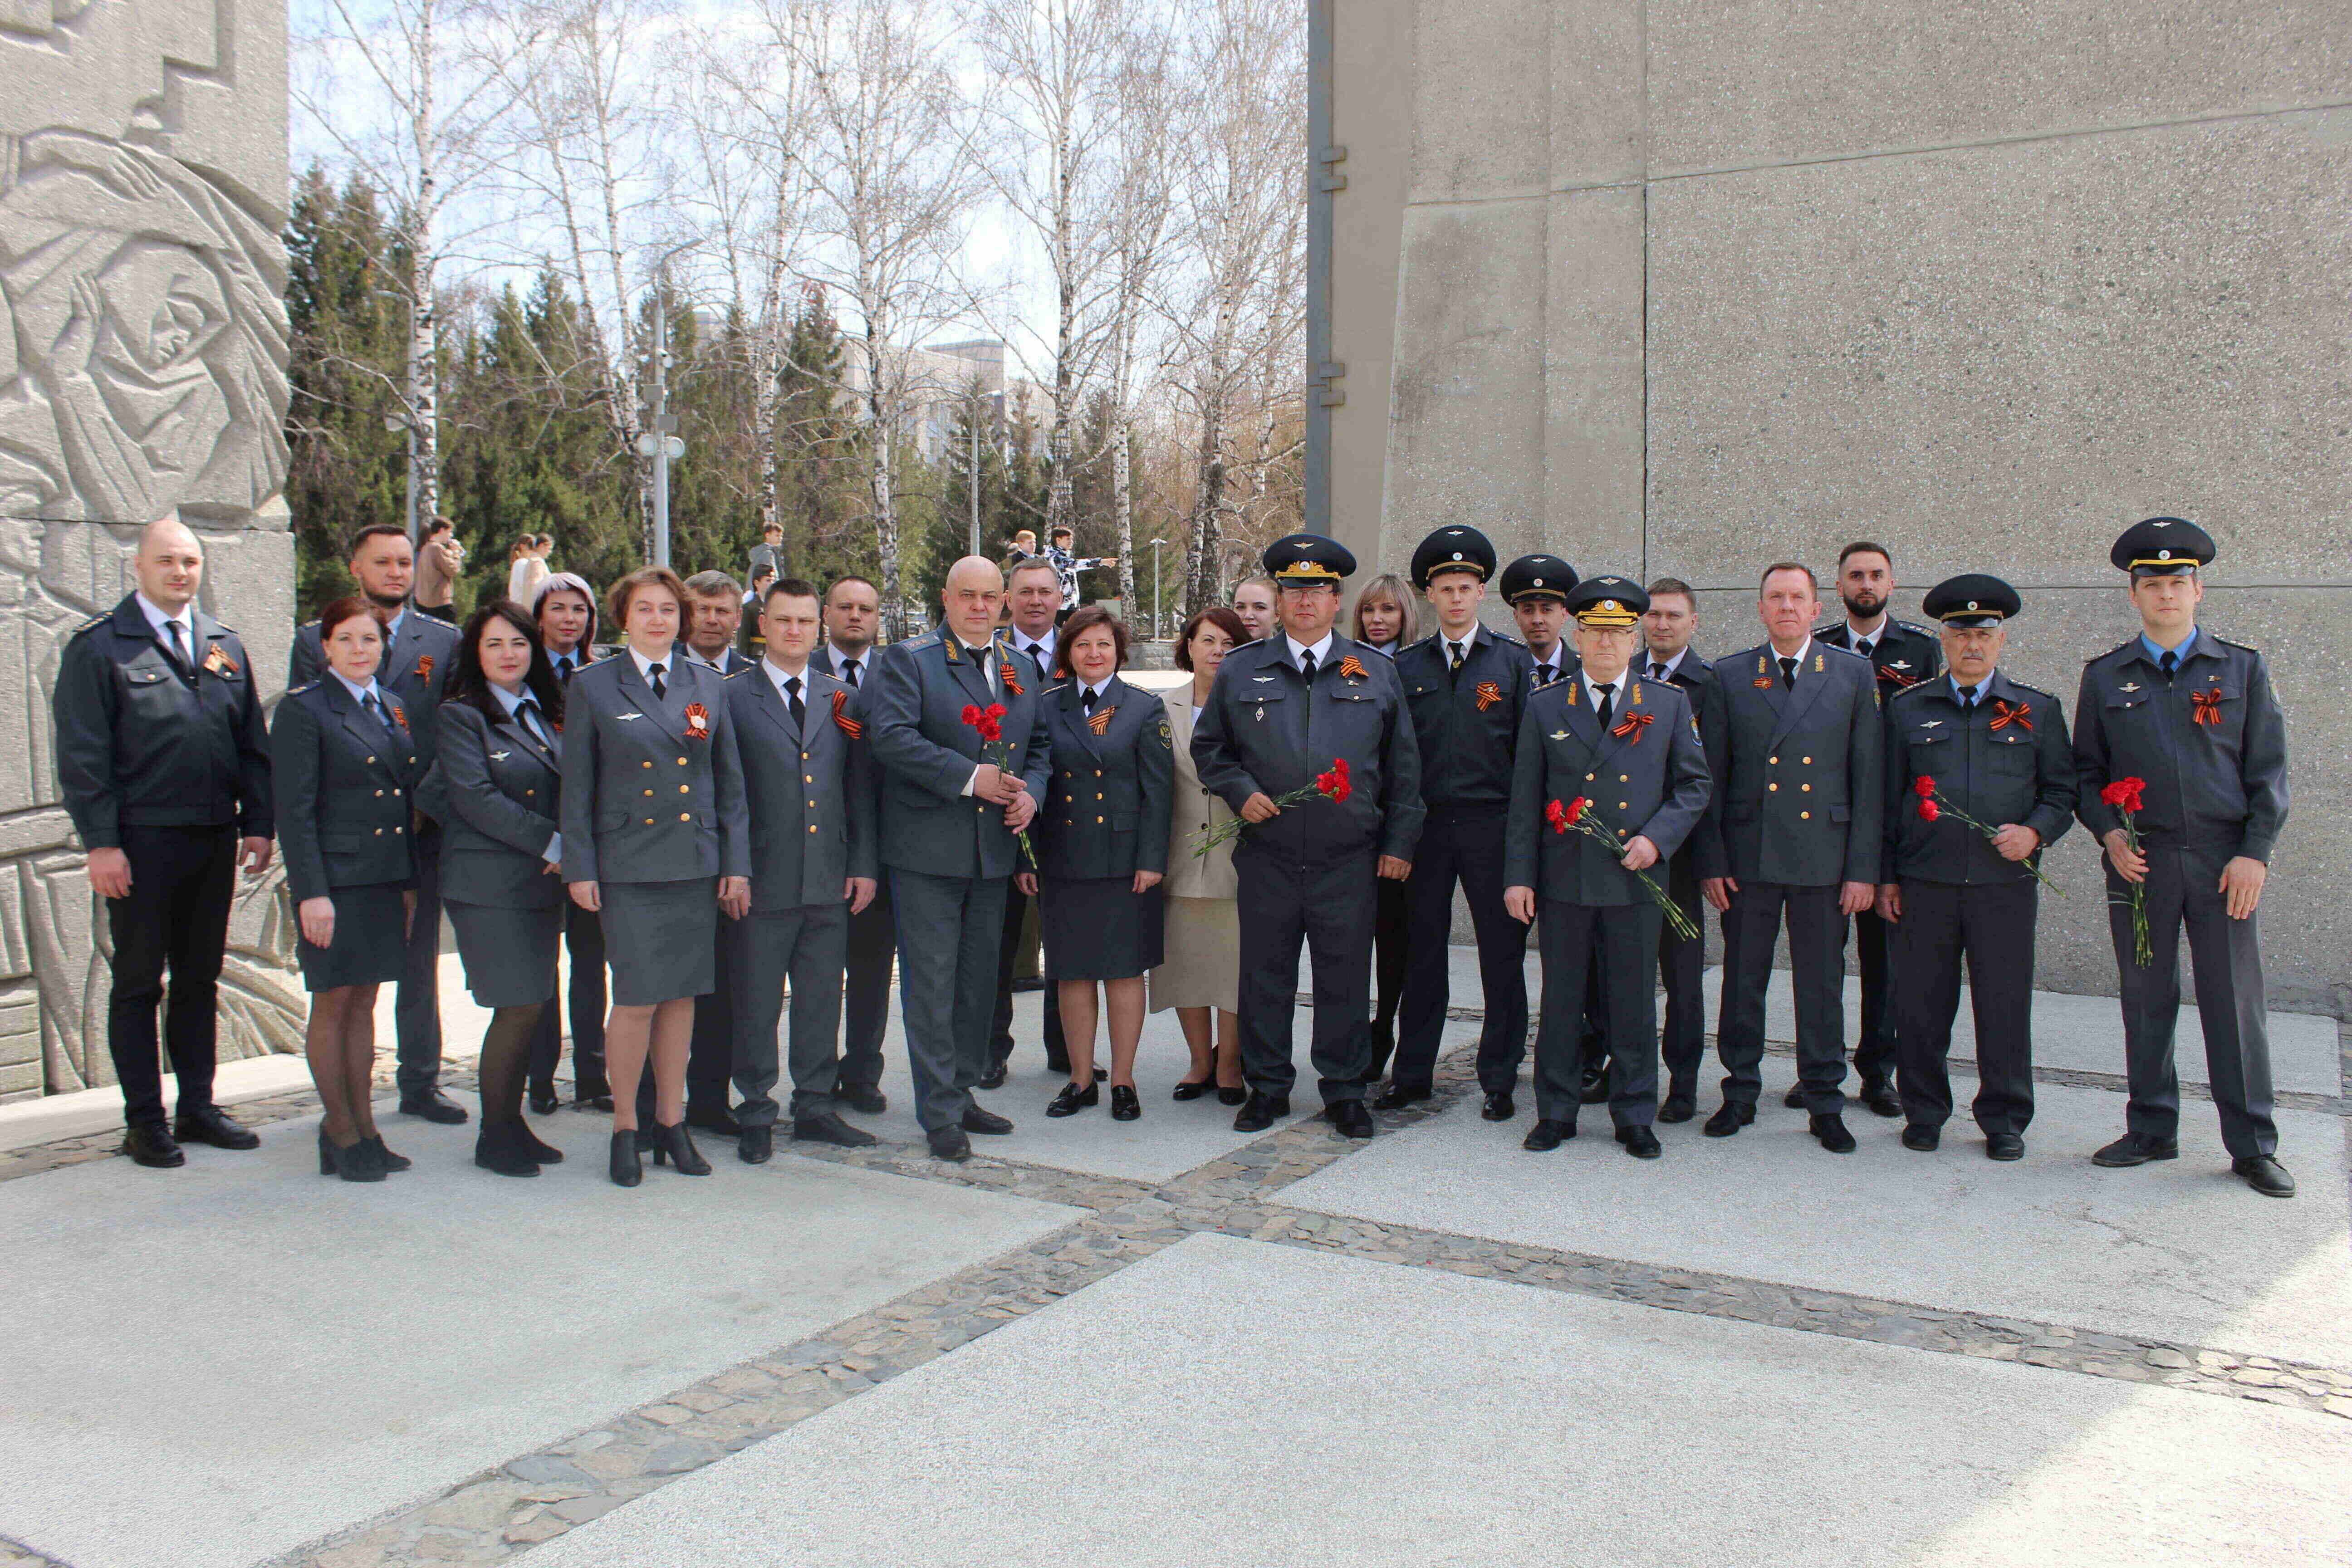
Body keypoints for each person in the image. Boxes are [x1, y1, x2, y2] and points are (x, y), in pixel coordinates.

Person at [2074, 517, 2293, 1198]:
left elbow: (2270, 773)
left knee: (2232, 1003)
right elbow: (2086, 773)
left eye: (2178, 582)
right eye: (2152, 584)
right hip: (2142, 862)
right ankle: (2151, 1128)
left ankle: (2253, 1143)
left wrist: (2255, 854)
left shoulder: (2241, 668)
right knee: (2146, 998)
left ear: (2198, 590)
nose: (2166, 594)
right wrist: (2109, 834)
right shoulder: (2108, 675)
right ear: (2134, 595)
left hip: (2224, 864)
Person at [53, 514, 273, 1169]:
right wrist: (101, 843)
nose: (181, 572)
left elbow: (251, 746)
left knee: (200, 979)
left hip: (211, 840)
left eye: (191, 562)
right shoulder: (101, 647)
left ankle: (198, 1107)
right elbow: (83, 756)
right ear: (140, 568)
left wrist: (259, 822)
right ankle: (144, 1121)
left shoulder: (223, 644)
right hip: (140, 846)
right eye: (168, 562)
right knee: (139, 983)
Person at [1193, 534, 1424, 1139]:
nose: (1304, 601)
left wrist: (1399, 844)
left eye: (1317, 590)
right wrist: (1241, 791)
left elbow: (1404, 768)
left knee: (1344, 976)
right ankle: (1267, 1086)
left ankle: (1345, 1089)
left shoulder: (1373, 670)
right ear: (1279, 595)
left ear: (1336, 599)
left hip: (1347, 857)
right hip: (1267, 854)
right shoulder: (1244, 668)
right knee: (1265, 974)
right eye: (1294, 589)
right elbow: (1210, 747)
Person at [1505, 577, 1710, 1157]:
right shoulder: (1547, 705)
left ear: (1635, 637)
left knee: (1633, 1000)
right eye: (1595, 632)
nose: (1606, 644)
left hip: (1635, 876)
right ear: (1578, 634)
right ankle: (1556, 1110)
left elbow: (1695, 785)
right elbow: (1525, 801)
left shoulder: (1667, 704)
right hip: (1566, 878)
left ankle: (1634, 1112)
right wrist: (1519, 877)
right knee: (1563, 1000)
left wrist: (1657, 840)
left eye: (1619, 633)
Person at [560, 565, 751, 1187]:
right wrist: (580, 867)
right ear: (624, 617)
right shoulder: (594, 684)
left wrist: (735, 865)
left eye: (669, 609)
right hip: (630, 866)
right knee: (637, 1000)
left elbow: (728, 786)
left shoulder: (707, 684)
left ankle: (673, 1123)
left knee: (682, 1000)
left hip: (692, 864)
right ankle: (625, 1126)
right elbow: (578, 788)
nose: (658, 620)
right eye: (646, 609)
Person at [1877, 575, 2076, 1161]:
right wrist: (1887, 875)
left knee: (2005, 1004)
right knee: (1920, 1005)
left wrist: (2035, 831)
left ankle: (2005, 1118)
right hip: (1925, 884)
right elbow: (1888, 801)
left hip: (2003, 888)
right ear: (1943, 638)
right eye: (1961, 632)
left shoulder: (2036, 710)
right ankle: (1924, 1112)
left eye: (1984, 633)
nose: (1972, 644)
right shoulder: (1909, 709)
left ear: (2001, 639)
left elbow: (2063, 790)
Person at [859, 556, 1049, 1161]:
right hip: (928, 852)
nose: (979, 607)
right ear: (945, 597)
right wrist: (972, 778)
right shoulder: (909, 661)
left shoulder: (1019, 666)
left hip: (991, 851)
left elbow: (1039, 746)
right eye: (967, 595)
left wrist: (1032, 799)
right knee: (932, 984)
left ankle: (962, 1088)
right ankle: (938, 1110)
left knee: (977, 983)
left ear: (1004, 603)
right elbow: (889, 736)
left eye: (990, 597)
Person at [1695, 562, 1883, 1152]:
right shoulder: (1729, 676)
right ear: (1760, 608)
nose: (1786, 608)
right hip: (1749, 856)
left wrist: (1862, 870)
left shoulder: (1852, 674)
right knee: (1743, 981)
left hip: (1823, 859)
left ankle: (1825, 1100)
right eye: (1775, 597)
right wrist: (1712, 861)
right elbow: (1711, 781)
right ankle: (1740, 1091)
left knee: (1821, 985)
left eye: (1797, 598)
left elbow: (1868, 780)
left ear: (1816, 607)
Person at [291, 525, 465, 1123]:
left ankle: (420, 1083)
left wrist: (426, 803)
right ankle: (344, 1119)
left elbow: (454, 732)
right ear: (355, 569)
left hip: (419, 833)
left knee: (417, 967)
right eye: (381, 562)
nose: (395, 572)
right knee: (345, 988)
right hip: (345, 847)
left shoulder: (443, 641)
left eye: (403, 562)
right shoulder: (314, 641)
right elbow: (306, 751)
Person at [1379, 527, 1533, 1120]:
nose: (1456, 599)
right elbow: (1393, 756)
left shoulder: (1512, 664)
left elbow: (1527, 764)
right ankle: (1413, 1074)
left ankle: (1499, 1078)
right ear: (1430, 597)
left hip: (1492, 826)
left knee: (1502, 957)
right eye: (1445, 589)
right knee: (1422, 955)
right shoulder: (1405, 666)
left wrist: (1524, 850)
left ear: (1481, 593)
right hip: (1427, 827)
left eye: (1466, 588)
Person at [726, 578, 881, 1161]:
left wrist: (863, 864)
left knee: (821, 997)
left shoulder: (841, 697)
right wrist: (734, 869)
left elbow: (857, 788)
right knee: (758, 1001)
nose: (795, 631)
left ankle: (814, 1104)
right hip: (763, 880)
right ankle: (757, 1109)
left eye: (805, 622)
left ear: (819, 628)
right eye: (783, 620)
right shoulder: (733, 696)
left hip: (828, 876)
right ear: (763, 625)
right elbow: (729, 794)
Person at [272, 600, 421, 1182]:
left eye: (370, 640)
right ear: (325, 648)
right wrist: (312, 892)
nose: (360, 650)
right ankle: (338, 1130)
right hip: (335, 884)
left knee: (365, 1002)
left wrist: (407, 883)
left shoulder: (394, 707)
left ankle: (366, 1126)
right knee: (333, 1001)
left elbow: (402, 802)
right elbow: (295, 811)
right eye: (347, 640)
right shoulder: (305, 710)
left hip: (384, 879)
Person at [425, 601, 572, 1177]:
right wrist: (557, 845)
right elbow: (476, 800)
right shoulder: (461, 717)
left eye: (518, 643)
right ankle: (494, 1136)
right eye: (494, 645)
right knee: (514, 1007)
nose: (508, 655)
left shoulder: (545, 711)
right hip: (488, 886)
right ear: (475, 654)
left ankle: (512, 1124)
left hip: (535, 886)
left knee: (531, 1004)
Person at [1019, 608, 1172, 1120]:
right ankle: (1082, 1080)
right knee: (1073, 973)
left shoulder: (1143, 709)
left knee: (1125, 974)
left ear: (1118, 650)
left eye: (1103, 644)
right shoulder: (1045, 707)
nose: (1094, 654)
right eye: (1083, 645)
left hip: (1126, 863)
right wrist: (1030, 858)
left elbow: (1159, 792)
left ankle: (1123, 1081)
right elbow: (1037, 780)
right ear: (1068, 653)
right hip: (1064, 859)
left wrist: (1152, 859)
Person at [1809, 541, 1943, 1117]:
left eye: (1876, 575)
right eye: (1855, 576)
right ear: (1838, 588)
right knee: (1825, 957)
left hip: (1896, 820)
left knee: (1885, 958)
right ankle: (1822, 1070)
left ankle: (1879, 1071)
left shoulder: (1921, 648)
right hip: (1833, 820)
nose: (1866, 584)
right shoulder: (1821, 650)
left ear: (1892, 583)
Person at [662, 570, 756, 1135]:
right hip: (671, 855)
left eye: (724, 611)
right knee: (666, 990)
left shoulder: (749, 679)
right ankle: (657, 1104)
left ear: (739, 618)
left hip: (736, 857)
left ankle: (709, 1100)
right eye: (703, 609)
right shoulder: (660, 676)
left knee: (726, 988)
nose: (713, 620)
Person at [1150, 607, 1250, 1104]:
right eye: (1207, 641)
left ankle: (1230, 1063)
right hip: (1180, 854)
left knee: (1232, 969)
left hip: (1239, 857)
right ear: (1188, 646)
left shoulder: (1255, 704)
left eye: (1228, 643)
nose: (1217, 652)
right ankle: (1199, 1062)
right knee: (1186, 965)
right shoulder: (1160, 708)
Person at [1639, 577, 1728, 1121]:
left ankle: (1684, 1080)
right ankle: (1619, 1066)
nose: (1663, 625)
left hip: (1684, 857)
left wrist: (1713, 865)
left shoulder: (1711, 686)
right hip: (1622, 851)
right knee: (1619, 970)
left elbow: (1714, 783)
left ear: (1693, 623)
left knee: (1681, 977)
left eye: (1674, 616)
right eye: (1653, 616)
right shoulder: (1621, 676)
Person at [528, 572, 611, 1111]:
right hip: (535, 842)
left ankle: (592, 1075)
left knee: (590, 961)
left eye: (578, 609)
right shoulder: (519, 668)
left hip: (592, 841)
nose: (568, 619)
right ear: (539, 616)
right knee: (539, 966)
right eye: (558, 609)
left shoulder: (603, 671)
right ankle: (538, 1074)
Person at [987, 558, 1071, 1085]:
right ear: (1008, 599)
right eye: (1025, 593)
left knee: (1067, 946)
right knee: (1000, 947)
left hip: (1069, 821)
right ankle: (991, 1050)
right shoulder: (989, 657)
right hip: (1004, 817)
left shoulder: (1084, 648)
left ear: (1060, 597)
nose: (1036, 601)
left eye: (1045, 592)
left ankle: (1067, 1049)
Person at [819, 575, 892, 1115]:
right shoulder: (804, 671)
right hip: (817, 846)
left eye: (865, 608)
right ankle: (816, 1077)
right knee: (819, 973)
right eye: (845, 607)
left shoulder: (896, 674)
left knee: (870, 970)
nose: (855, 616)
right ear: (827, 614)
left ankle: (863, 1073)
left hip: (883, 848)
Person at [1349, 572, 1418, 1078]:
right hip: (1352, 823)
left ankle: (1386, 1026)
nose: (1378, 620)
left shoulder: (1418, 666)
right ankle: (1353, 1037)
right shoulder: (1346, 664)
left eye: (1388, 611)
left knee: (1395, 940)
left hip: (1403, 825)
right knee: (1352, 940)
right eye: (1370, 610)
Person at [1502, 554, 1579, 689]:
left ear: (1564, 614)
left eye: (1546, 610)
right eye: (1528, 610)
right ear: (1516, 616)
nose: (1537, 620)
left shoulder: (1585, 671)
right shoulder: (1503, 672)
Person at [1042, 524, 1113, 622]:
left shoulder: (1062, 555)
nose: (1071, 542)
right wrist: (1100, 562)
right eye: (1068, 539)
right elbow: (1074, 565)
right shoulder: (1055, 558)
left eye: (1071, 539)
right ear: (1058, 540)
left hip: (1069, 605)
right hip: (1059, 607)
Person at [1352, 573, 1417, 658]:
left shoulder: (1423, 663)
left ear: (1405, 614)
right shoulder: (1344, 663)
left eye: (1388, 609)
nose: (1376, 619)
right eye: (1368, 610)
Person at [414, 516, 465, 622]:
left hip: (424, 603)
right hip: (439, 604)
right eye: (450, 532)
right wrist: (456, 553)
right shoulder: (437, 548)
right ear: (442, 530)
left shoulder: (425, 548)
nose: (451, 536)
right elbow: (453, 570)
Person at [1230, 574, 1278, 643]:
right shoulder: (1220, 652)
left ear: (1277, 615)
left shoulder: (1293, 653)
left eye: (1259, 608)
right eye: (1240, 607)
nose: (1248, 615)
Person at [508, 535, 551, 608]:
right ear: (523, 547)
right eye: (532, 546)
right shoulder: (523, 563)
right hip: (523, 608)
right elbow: (527, 587)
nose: (534, 549)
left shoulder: (524, 563)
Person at [748, 520, 787, 584]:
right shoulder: (768, 553)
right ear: (768, 535)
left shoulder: (767, 552)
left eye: (781, 536)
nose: (780, 538)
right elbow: (772, 576)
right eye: (777, 536)